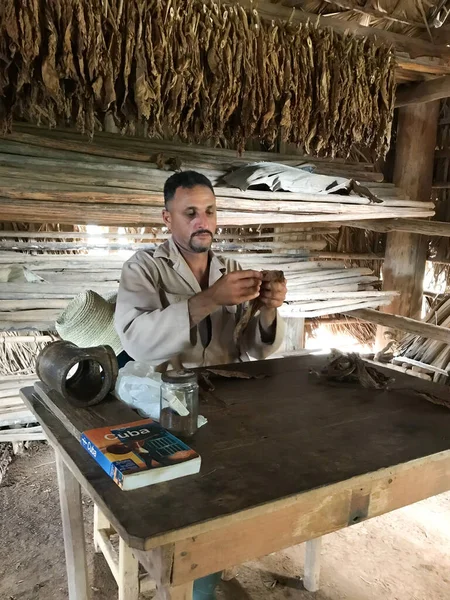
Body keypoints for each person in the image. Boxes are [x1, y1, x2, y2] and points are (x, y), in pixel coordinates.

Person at [115, 170, 287, 368]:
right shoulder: (143, 268)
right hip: (172, 393)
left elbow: (255, 349)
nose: (203, 222)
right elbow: (136, 345)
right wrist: (211, 298)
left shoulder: (231, 269)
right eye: (190, 213)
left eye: (209, 211)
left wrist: (268, 309)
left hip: (234, 388)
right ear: (167, 218)